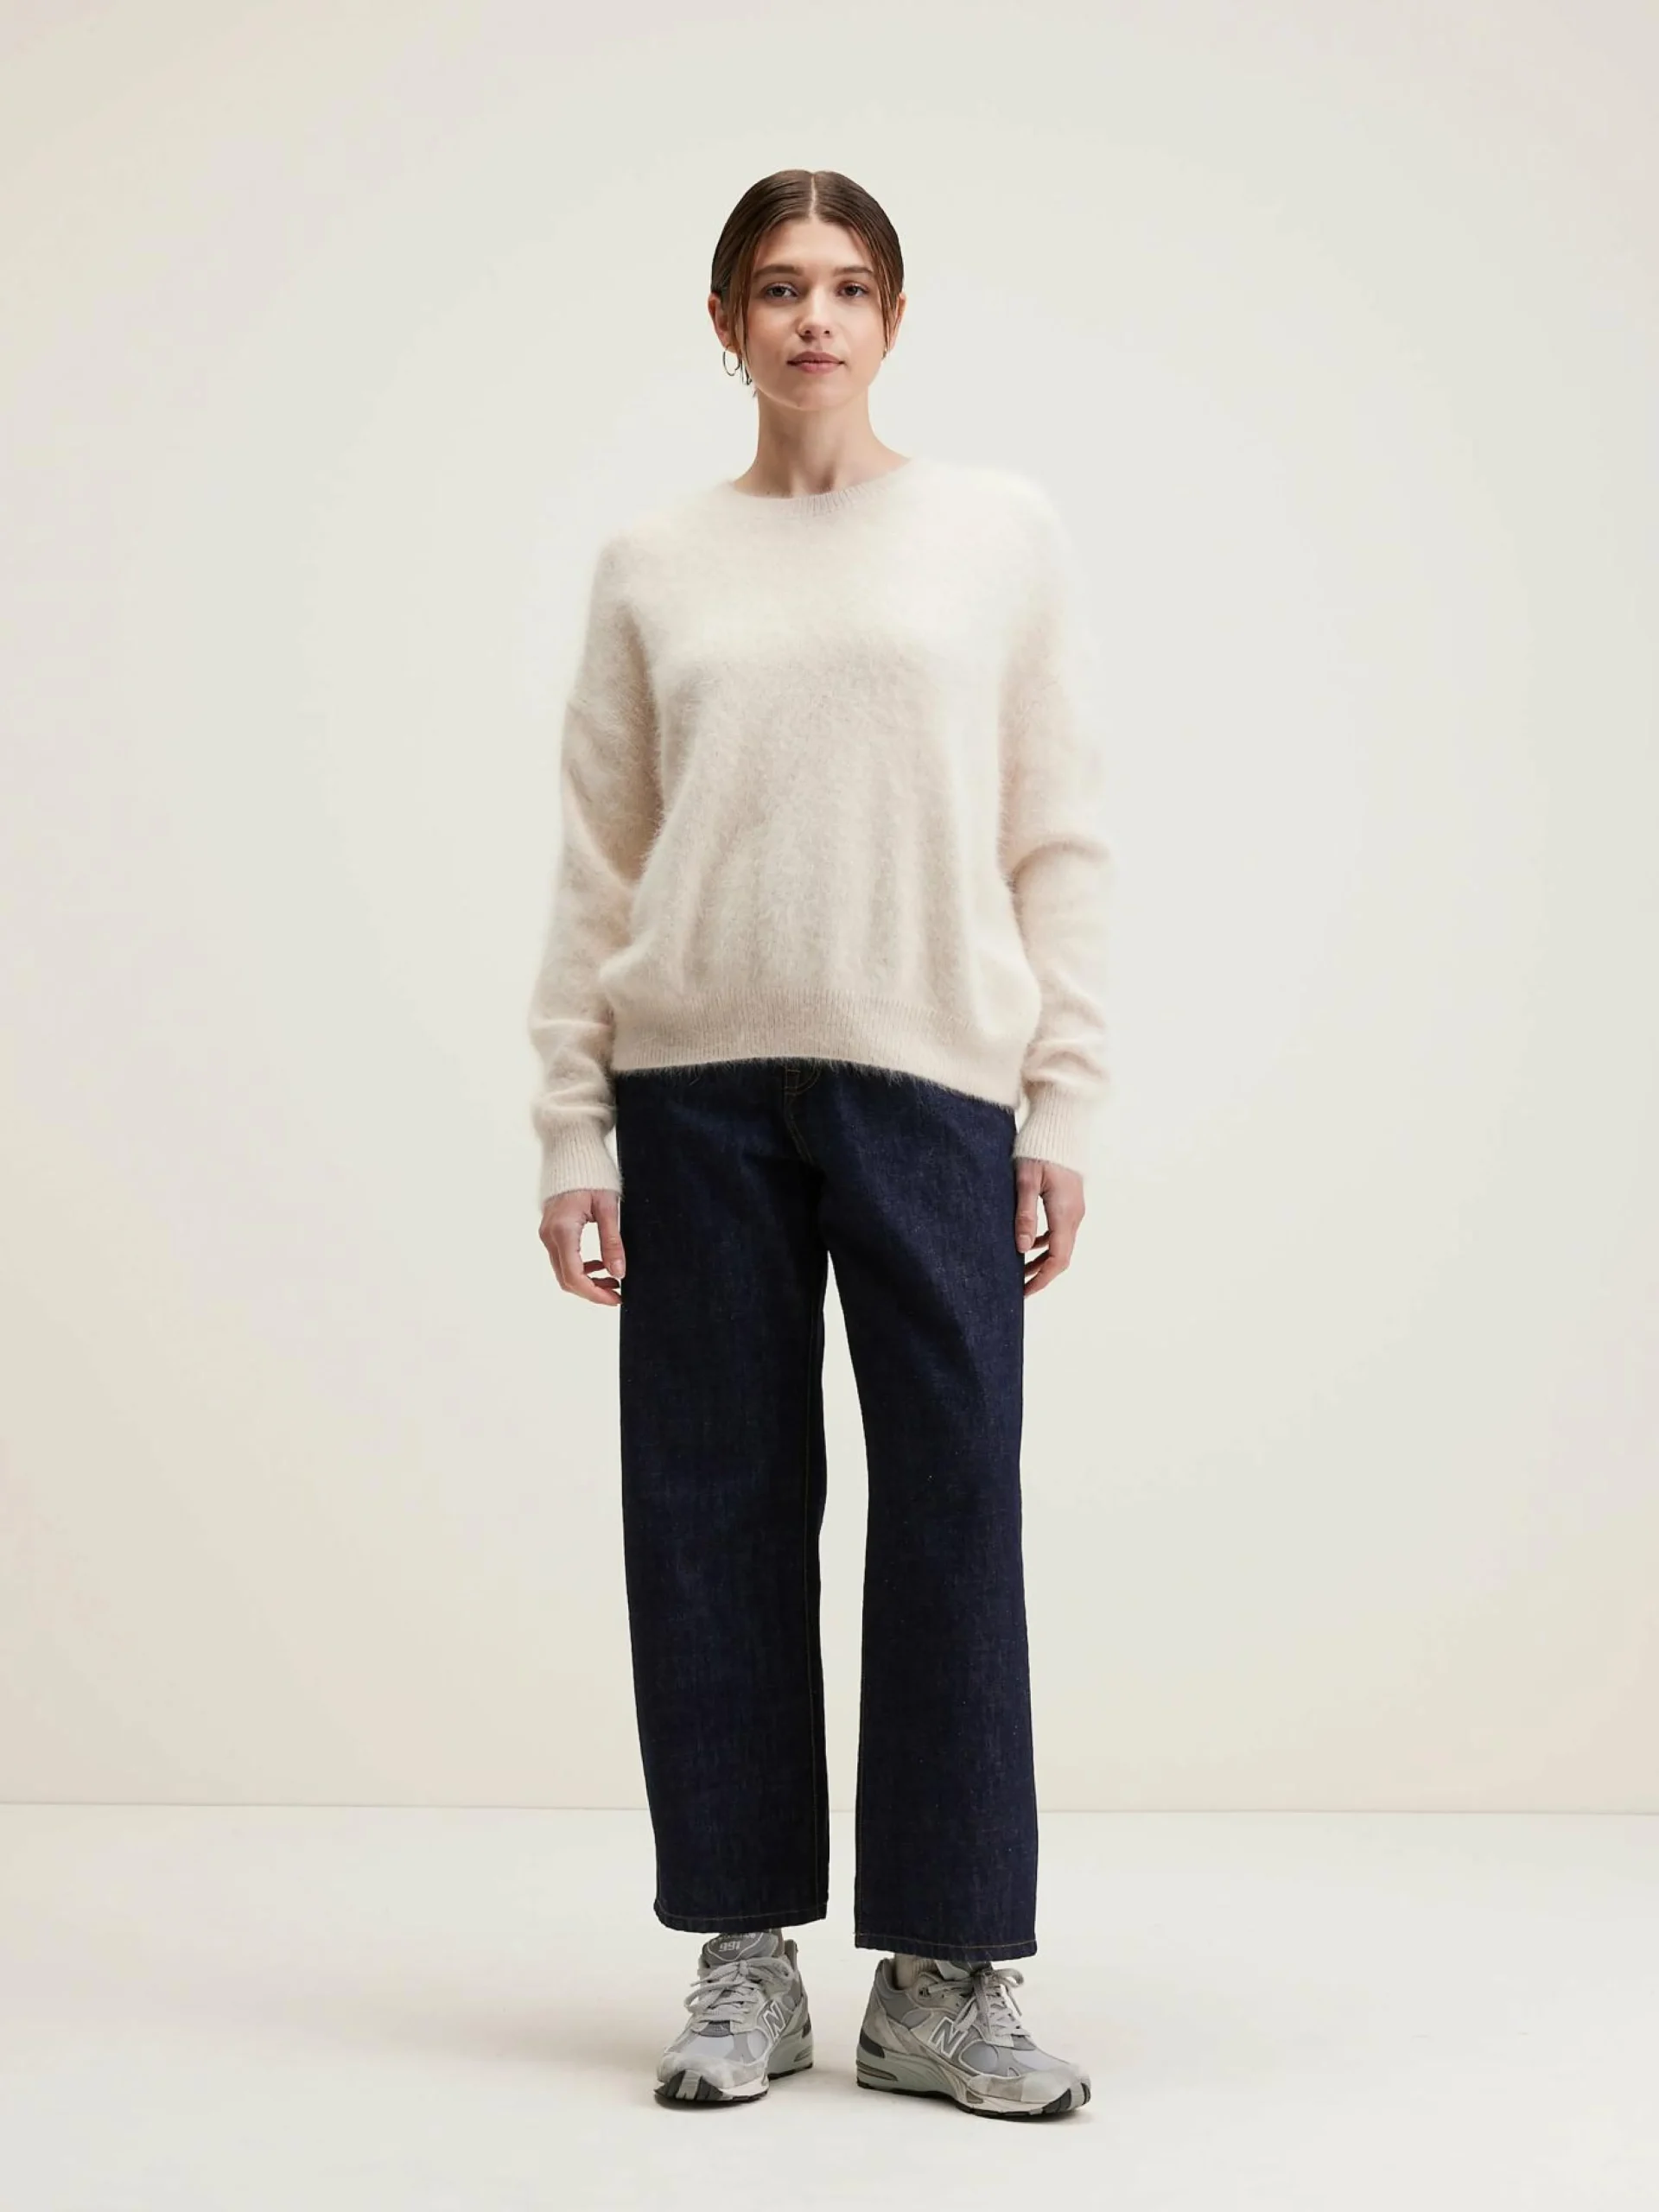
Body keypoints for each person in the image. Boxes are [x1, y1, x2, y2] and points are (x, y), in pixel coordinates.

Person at [526, 168, 1109, 2120]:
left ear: (893, 316)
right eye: (778, 287)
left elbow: (1057, 831)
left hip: (931, 1080)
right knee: (710, 1512)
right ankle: (744, 1956)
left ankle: (946, 1974)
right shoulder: (655, 563)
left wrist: (1064, 1095)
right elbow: (600, 859)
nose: (813, 319)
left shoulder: (994, 536)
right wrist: (574, 1126)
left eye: (848, 287)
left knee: (952, 1506)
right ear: (726, 322)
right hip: (695, 1087)